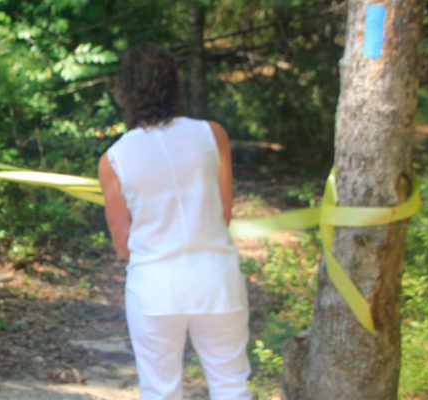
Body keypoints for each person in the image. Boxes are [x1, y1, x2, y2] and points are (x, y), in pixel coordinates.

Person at [98, 43, 251, 400]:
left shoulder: (114, 159)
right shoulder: (213, 135)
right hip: (216, 279)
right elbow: (223, 215)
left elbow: (123, 246)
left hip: (154, 287)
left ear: (125, 92)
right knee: (231, 384)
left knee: (160, 391)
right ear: (173, 84)